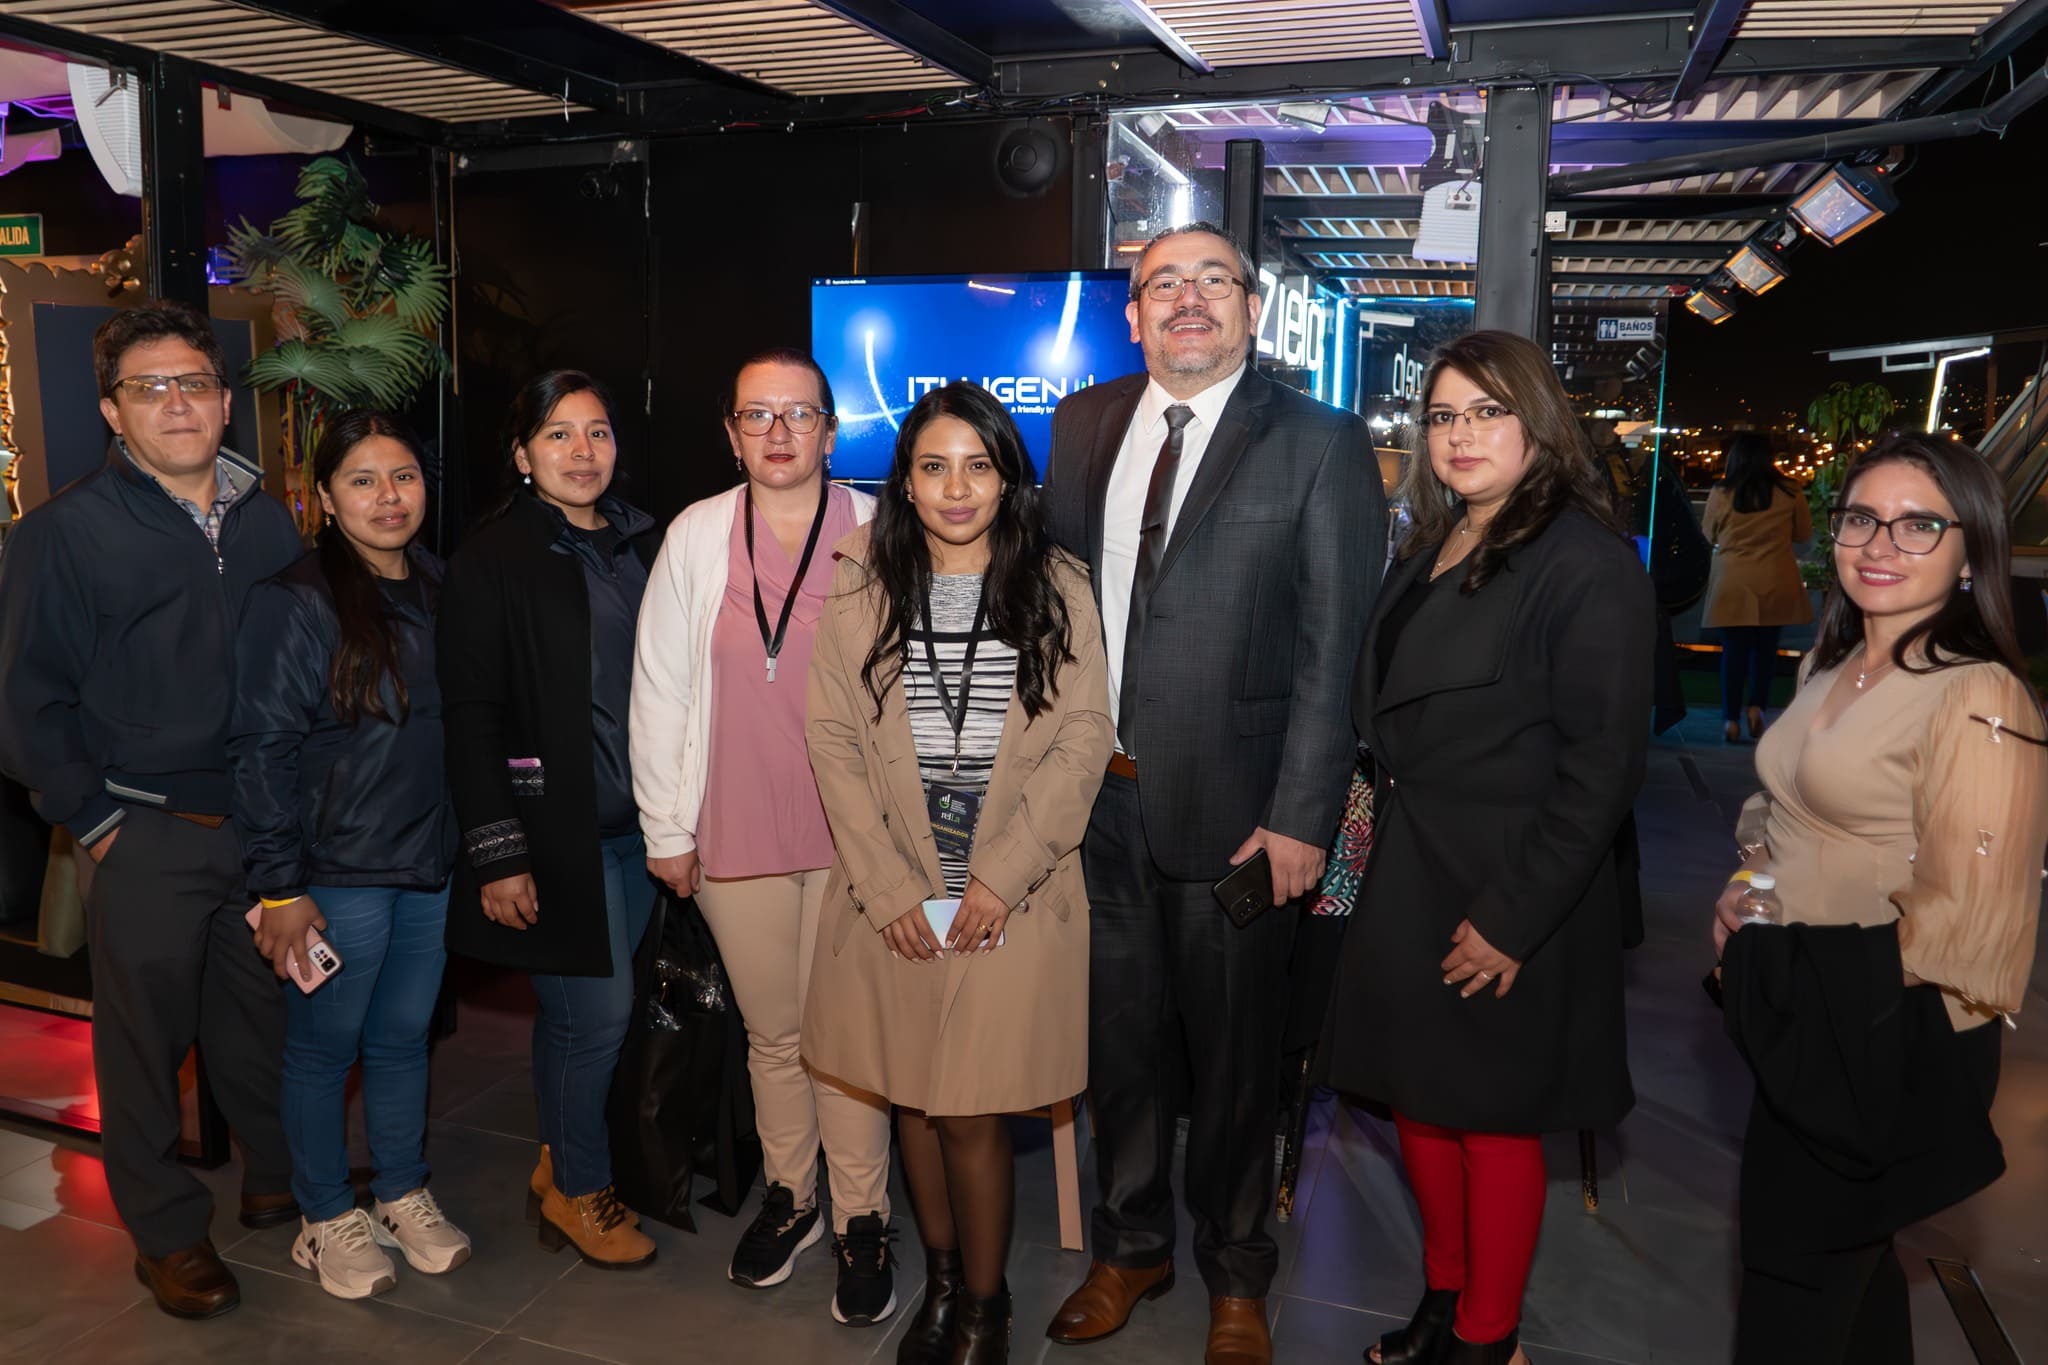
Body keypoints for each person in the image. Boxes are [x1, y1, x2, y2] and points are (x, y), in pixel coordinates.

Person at [1040, 222, 1385, 1365]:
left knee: (1236, 1062)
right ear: (1131, 312)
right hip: (1098, 807)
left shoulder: (1320, 441)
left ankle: (1236, 1272)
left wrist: (1300, 817)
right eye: (1162, 285)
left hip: (1243, 818)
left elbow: (1334, 650)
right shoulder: (1082, 424)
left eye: (1212, 281)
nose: (1187, 300)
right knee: (1120, 1047)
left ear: (1251, 307)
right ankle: (1130, 1247)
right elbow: (1052, 609)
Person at [1320, 330, 1655, 1365]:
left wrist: (1513, 918)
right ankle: (1444, 1297)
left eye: (1486, 412)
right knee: (1420, 1103)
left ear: (1537, 423)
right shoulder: (1431, 543)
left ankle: (1486, 1335)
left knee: (1494, 1119)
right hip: (1410, 869)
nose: (1459, 435)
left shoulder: (1585, 562)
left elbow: (1602, 768)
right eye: (1442, 416)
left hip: (1512, 884)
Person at [1713, 433, 2047, 1364]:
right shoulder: (1832, 662)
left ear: (1972, 551)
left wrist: (1780, 967)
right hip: (1810, 1016)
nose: (1880, 544)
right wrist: (1749, 888)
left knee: (1793, 1289)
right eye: (1862, 518)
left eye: (1917, 525)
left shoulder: (1978, 696)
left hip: (1884, 1033)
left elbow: (1967, 923)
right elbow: (1777, 807)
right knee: (1843, 1293)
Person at [0, 302, 304, 1318]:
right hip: (143, 832)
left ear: (225, 400)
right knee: (142, 1050)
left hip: (260, 825)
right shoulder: (61, 534)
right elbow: (24, 703)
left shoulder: (266, 518)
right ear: (111, 409)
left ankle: (279, 1179)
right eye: (149, 387)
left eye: (194, 383)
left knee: (262, 1020)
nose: (177, 403)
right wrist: (98, 823)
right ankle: (169, 1235)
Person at [803, 383, 1112, 1364]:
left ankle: (985, 1306)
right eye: (934, 466)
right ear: (905, 480)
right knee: (911, 1099)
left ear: (1008, 479)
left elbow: (1083, 742)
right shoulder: (861, 578)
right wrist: (891, 886)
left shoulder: (1056, 583)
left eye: (978, 466)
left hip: (1008, 895)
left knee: (971, 1109)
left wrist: (999, 878)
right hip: (893, 888)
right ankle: (938, 1287)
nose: (956, 487)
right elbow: (831, 740)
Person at [629, 348, 896, 1320]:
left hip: (855, 837)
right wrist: (665, 824)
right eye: (757, 415)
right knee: (774, 1034)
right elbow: (658, 687)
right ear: (731, 433)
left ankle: (864, 1215)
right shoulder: (697, 533)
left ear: (832, 429)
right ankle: (794, 1196)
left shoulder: (881, 529)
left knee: (848, 1035)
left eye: (799, 413)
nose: (779, 432)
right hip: (732, 826)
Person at [229, 411, 467, 1300]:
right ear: (325, 497)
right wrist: (279, 887)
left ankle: (401, 1191)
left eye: (403, 476)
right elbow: (261, 750)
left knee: (403, 1039)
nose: (388, 496)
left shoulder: (444, 584)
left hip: (429, 865)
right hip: (337, 875)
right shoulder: (296, 600)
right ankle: (324, 1215)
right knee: (324, 1051)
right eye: (363, 480)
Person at [437, 369, 661, 1269]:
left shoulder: (642, 543)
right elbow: (470, 716)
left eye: (597, 431)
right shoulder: (493, 558)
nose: (582, 451)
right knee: (595, 1017)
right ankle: (578, 1189)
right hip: (554, 833)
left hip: (645, 828)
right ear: (523, 454)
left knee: (582, 1018)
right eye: (558, 434)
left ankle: (556, 1155)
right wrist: (498, 853)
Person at [1702, 432, 1813, 743]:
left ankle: (1730, 720)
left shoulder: (1722, 492)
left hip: (1733, 581)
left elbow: (1709, 533)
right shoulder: (1790, 490)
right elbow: (1803, 533)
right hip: (1775, 579)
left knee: (1733, 652)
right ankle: (1757, 708)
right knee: (1766, 651)